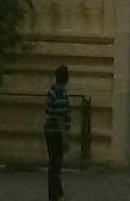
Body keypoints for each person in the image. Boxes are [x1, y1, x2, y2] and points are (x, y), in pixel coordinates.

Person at [44, 64, 70, 201]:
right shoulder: (61, 92)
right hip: (56, 133)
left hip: (50, 131)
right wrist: (64, 136)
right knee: (56, 165)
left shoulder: (52, 90)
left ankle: (55, 193)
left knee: (54, 165)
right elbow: (60, 116)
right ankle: (56, 194)